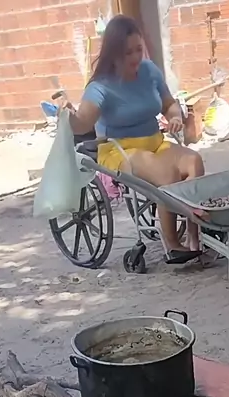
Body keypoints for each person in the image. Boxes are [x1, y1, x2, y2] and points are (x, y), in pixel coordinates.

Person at [67, 15, 204, 264]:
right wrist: (68, 116)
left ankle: (195, 237)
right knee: (167, 175)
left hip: (154, 141)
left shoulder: (149, 71)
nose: (135, 57)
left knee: (194, 161)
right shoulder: (100, 86)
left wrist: (175, 116)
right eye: (127, 52)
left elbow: (169, 103)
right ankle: (173, 244)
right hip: (120, 149)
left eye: (138, 49)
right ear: (114, 53)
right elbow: (83, 123)